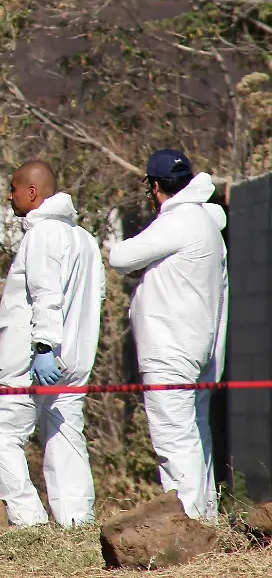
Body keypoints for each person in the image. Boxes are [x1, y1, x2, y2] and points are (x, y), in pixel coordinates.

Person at [0, 161, 105, 528]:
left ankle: (29, 523)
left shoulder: (42, 235)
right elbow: (92, 301)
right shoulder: (84, 239)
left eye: (14, 188)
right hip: (74, 361)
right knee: (65, 436)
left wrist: (45, 347)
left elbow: (45, 295)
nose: (9, 195)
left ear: (32, 193)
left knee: (0, 435)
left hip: (34, 361)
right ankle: (77, 523)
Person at [108, 149, 228, 521]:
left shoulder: (178, 220)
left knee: (175, 441)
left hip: (171, 349)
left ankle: (190, 526)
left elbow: (120, 256)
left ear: (156, 187)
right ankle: (205, 518)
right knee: (196, 437)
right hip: (200, 348)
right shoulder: (206, 222)